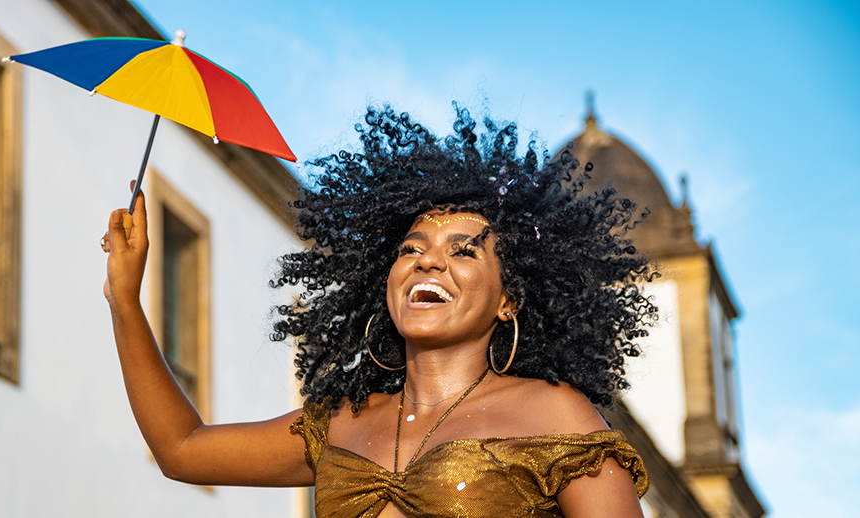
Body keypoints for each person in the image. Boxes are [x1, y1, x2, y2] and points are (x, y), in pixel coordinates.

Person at [101, 104, 656, 517]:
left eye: (463, 251)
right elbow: (182, 449)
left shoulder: (556, 416)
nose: (427, 262)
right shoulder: (339, 422)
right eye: (410, 249)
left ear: (508, 300)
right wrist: (125, 301)